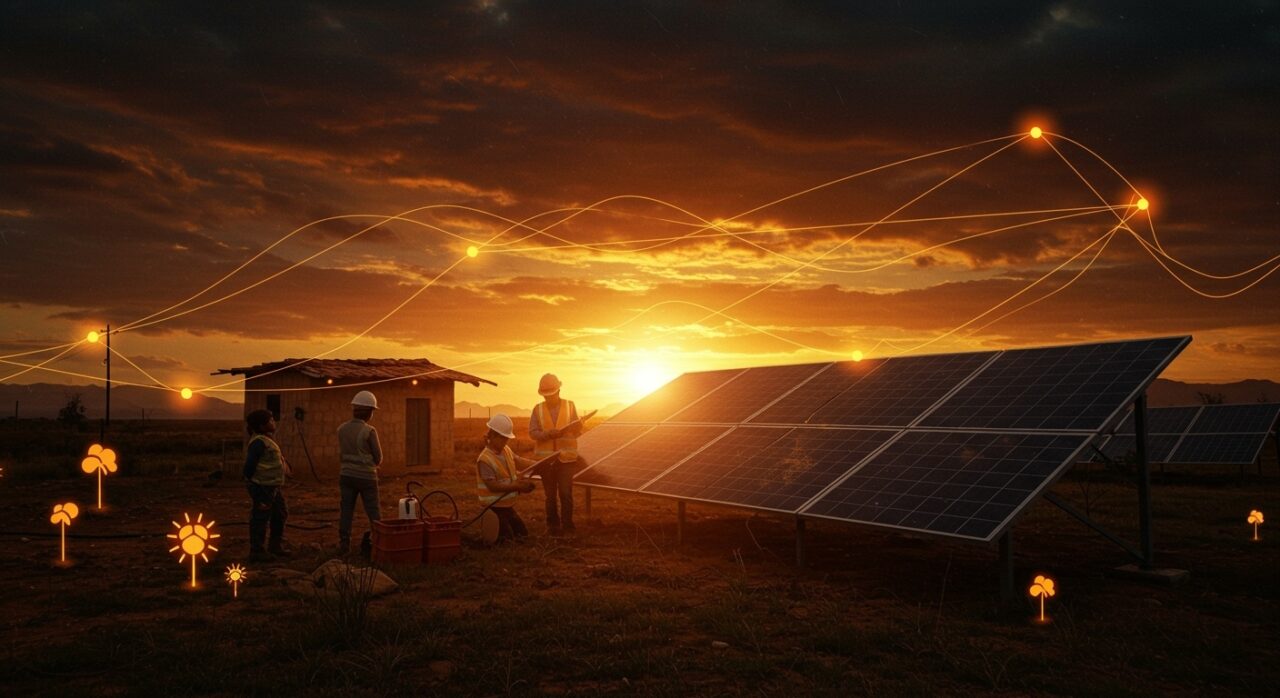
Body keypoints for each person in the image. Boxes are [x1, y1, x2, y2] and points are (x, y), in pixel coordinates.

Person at [528, 373, 583, 535]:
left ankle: (568, 526)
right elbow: (532, 432)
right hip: (546, 461)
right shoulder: (537, 409)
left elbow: (578, 431)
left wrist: (577, 429)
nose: (548, 399)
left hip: (566, 459)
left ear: (558, 391)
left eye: (551, 395)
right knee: (550, 496)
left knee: (566, 493)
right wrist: (547, 434)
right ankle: (552, 525)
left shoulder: (570, 406)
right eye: (546, 396)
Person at [476, 413, 537, 543]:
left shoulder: (506, 450)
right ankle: (491, 527)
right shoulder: (484, 460)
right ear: (492, 436)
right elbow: (493, 486)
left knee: (522, 535)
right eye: (503, 438)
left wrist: (537, 465)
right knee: (506, 539)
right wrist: (517, 486)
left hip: (506, 506)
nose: (506, 441)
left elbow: (518, 460)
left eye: (506, 438)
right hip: (493, 507)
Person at [337, 390, 384, 555]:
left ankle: (344, 544)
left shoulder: (341, 429)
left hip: (346, 476)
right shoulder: (369, 431)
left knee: (347, 510)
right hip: (366, 477)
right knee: (373, 510)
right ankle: (379, 543)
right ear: (369, 412)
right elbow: (378, 458)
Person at [243, 408, 292, 562]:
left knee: (280, 513)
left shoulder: (267, 440)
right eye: (270, 420)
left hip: (273, 487)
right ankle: (257, 551)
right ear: (262, 426)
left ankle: (275, 546)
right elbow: (249, 467)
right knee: (260, 517)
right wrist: (253, 483)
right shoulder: (258, 443)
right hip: (263, 487)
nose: (274, 422)